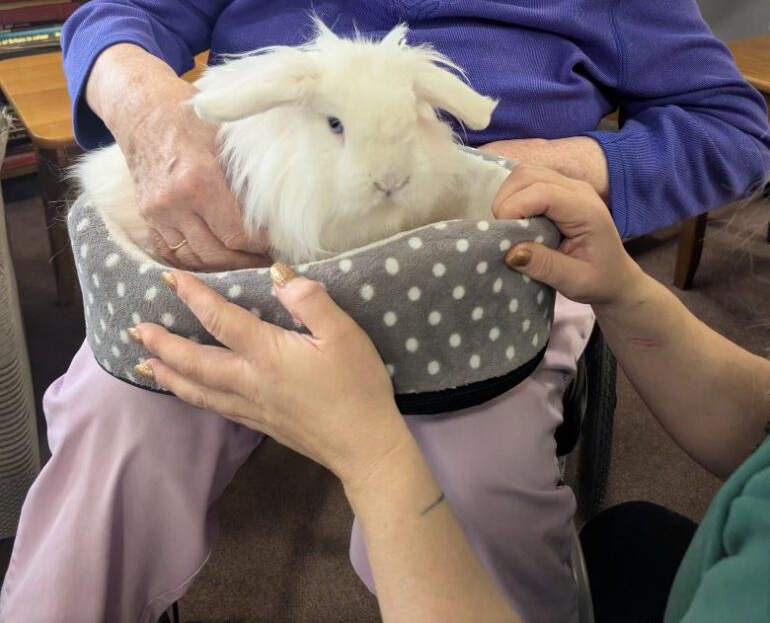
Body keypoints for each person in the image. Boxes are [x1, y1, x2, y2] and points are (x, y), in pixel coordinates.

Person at [2, 0, 769, 623]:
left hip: (477, 275)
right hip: (252, 256)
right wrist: (159, 120)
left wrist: (579, 163)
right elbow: (122, 16)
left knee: (478, 496)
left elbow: (729, 128)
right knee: (114, 432)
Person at [115, 163, 770, 623]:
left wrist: (373, 457)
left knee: (483, 483)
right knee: (113, 435)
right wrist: (626, 288)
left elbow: (724, 128)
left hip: (487, 301)